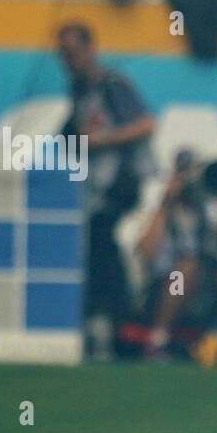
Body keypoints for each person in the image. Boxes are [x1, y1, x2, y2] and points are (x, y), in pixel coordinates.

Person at [57, 23, 157, 358]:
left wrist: (100, 140)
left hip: (124, 183)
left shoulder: (112, 84)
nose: (69, 61)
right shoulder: (78, 89)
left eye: (73, 53)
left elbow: (145, 124)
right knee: (96, 246)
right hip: (98, 188)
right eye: (64, 56)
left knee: (103, 242)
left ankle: (119, 320)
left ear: (90, 50)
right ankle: (109, 321)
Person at [127, 148, 217, 360]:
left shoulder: (211, 205)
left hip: (205, 284)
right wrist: (166, 204)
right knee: (186, 268)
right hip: (166, 282)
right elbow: (147, 252)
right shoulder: (157, 202)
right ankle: (158, 339)